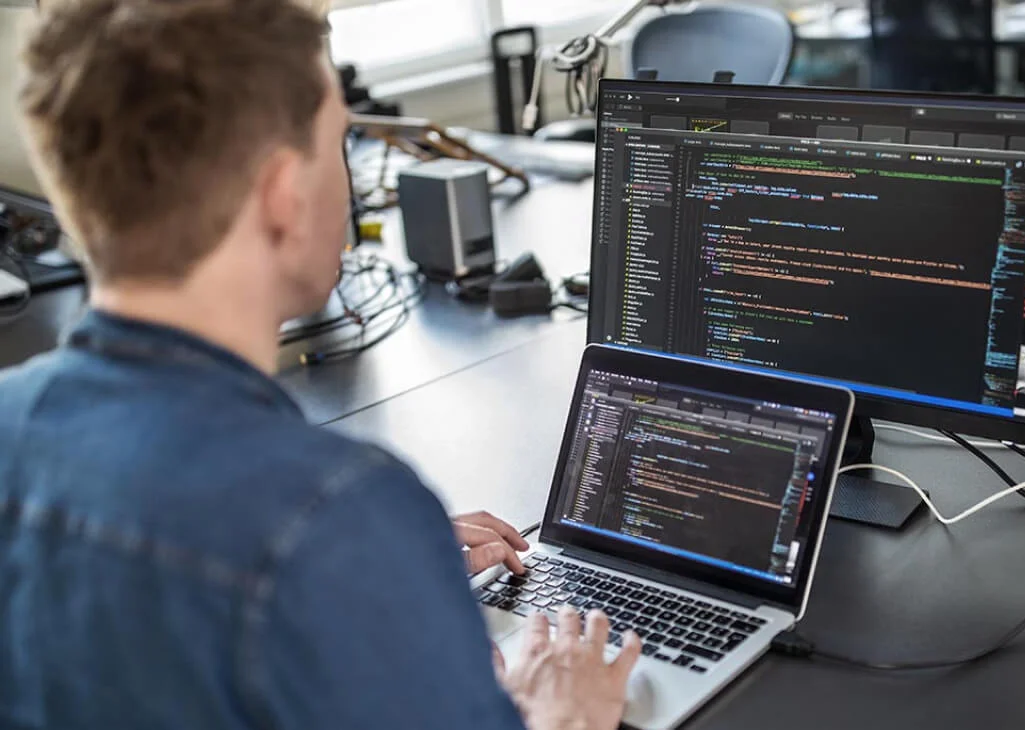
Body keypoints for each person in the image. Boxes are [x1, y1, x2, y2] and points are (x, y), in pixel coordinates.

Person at [0, 0, 640, 729]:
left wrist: (371, 574)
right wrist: (562, 716)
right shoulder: (334, 512)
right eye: (337, 141)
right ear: (284, 195)